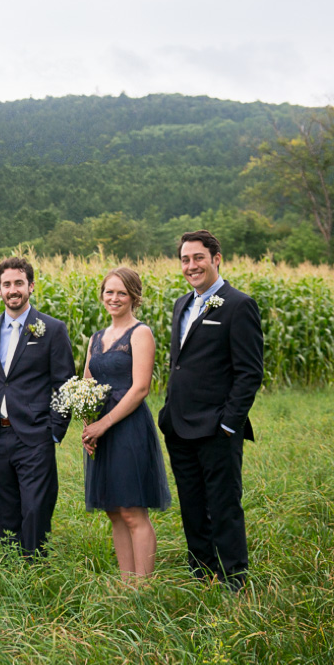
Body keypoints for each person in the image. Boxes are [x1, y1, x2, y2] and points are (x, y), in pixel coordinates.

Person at [158, 230, 264, 592]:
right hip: (179, 426)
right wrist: (168, 412)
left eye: (198, 257)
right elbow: (182, 365)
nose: (191, 266)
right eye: (185, 259)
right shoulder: (181, 304)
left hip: (217, 428)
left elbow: (250, 373)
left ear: (216, 258)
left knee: (223, 505)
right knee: (191, 504)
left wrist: (229, 425)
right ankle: (201, 574)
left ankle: (235, 579)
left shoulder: (239, 304)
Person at [0, 257, 75, 559]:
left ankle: (35, 565)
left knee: (35, 506)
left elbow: (64, 383)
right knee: (3, 507)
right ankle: (14, 565)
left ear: (30, 286)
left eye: (19, 283)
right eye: (7, 284)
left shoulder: (52, 329)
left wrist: (54, 431)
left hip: (34, 434)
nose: (13, 289)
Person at [78, 268, 171, 581]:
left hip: (128, 428)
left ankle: (143, 588)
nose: (114, 298)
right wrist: (90, 427)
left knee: (132, 510)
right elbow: (87, 386)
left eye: (121, 292)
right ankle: (125, 583)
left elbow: (140, 388)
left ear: (134, 296)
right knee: (114, 510)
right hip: (100, 431)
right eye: (109, 292)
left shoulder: (140, 333)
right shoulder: (96, 338)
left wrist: (104, 423)